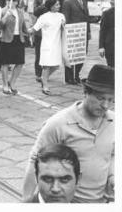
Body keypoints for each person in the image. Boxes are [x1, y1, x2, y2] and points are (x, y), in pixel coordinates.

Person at [22, 65, 114, 203]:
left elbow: (113, 153)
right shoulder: (58, 124)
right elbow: (36, 160)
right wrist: (26, 200)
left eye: (111, 100)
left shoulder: (115, 122)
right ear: (86, 92)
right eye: (101, 98)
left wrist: (113, 176)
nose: (106, 105)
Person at [29, 0, 66, 95]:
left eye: (59, 4)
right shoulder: (44, 17)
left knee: (56, 66)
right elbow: (34, 28)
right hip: (47, 44)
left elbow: (64, 29)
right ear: (51, 6)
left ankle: (43, 78)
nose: (59, 6)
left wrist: (64, 25)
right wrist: (25, 31)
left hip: (57, 44)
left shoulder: (61, 16)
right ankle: (45, 85)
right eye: (57, 5)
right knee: (46, 66)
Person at [0, 0, 28, 95]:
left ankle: (12, 82)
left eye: (14, 0)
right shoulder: (2, 11)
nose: (11, 1)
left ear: (17, 2)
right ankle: (5, 84)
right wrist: (5, 16)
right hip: (6, 39)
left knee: (20, 62)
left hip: (18, 39)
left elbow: (23, 27)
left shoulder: (20, 12)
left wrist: (29, 31)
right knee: (5, 63)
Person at [61, 0, 90, 84]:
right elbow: (66, 19)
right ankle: (69, 78)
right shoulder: (68, 2)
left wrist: (88, 32)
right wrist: (66, 34)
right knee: (70, 56)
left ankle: (76, 75)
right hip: (72, 34)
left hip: (83, 33)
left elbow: (87, 16)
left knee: (82, 55)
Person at [32, 0, 57, 82]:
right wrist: (43, 4)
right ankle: (38, 74)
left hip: (52, 32)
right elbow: (35, 12)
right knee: (39, 53)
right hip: (40, 32)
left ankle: (46, 73)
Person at [99, 0, 114, 67]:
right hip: (110, 48)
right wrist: (101, 47)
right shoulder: (106, 13)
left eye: (114, 0)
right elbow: (102, 31)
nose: (112, 2)